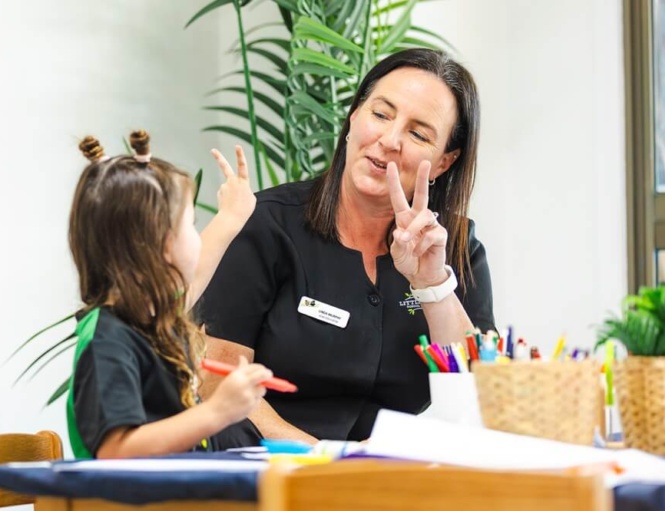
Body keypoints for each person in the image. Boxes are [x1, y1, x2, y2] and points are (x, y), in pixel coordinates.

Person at [198, 48, 496, 443]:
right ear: (353, 116)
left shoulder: (454, 249)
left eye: (419, 134)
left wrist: (432, 284)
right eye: (381, 114)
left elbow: (477, 395)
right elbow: (216, 380)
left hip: (397, 475)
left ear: (445, 161)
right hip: (271, 466)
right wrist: (325, 461)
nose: (390, 140)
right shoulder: (266, 224)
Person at [66, 130, 273, 459]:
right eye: (191, 223)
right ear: (158, 245)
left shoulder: (150, 322)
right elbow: (114, 451)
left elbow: (194, 276)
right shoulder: (108, 339)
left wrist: (232, 217)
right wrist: (217, 412)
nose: (196, 234)